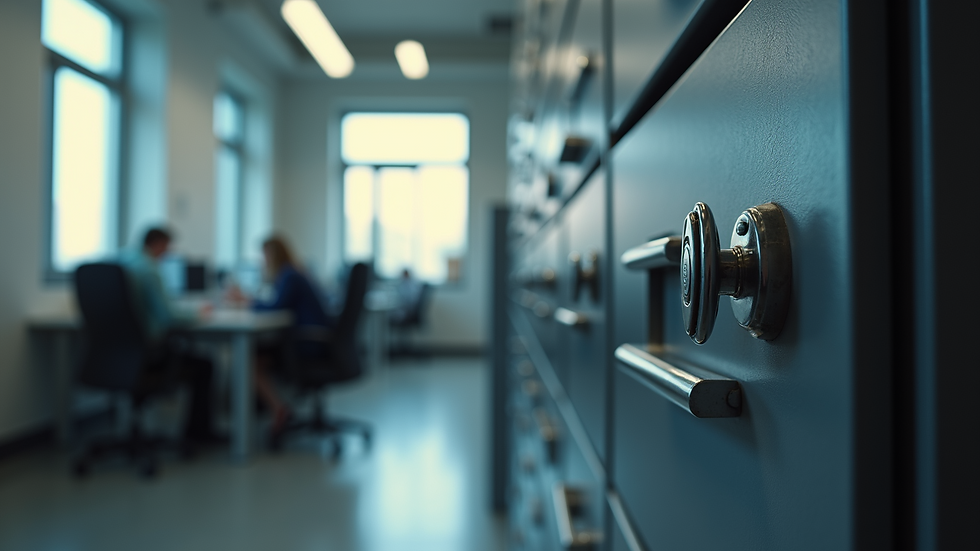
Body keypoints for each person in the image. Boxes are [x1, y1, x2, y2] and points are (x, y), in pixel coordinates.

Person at [118, 227, 220, 445]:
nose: (168, 253)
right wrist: (198, 313)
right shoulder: (148, 269)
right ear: (157, 244)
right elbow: (168, 316)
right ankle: (198, 434)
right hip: (148, 357)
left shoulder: (122, 262)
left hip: (113, 357)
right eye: (167, 247)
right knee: (205, 365)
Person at [227, 235, 333, 434]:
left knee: (249, 361)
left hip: (307, 343)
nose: (263, 260)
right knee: (256, 356)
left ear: (273, 255)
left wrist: (245, 301)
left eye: (264, 255)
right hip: (312, 340)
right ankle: (278, 409)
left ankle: (277, 410)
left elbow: (276, 306)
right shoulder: (295, 273)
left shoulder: (289, 275)